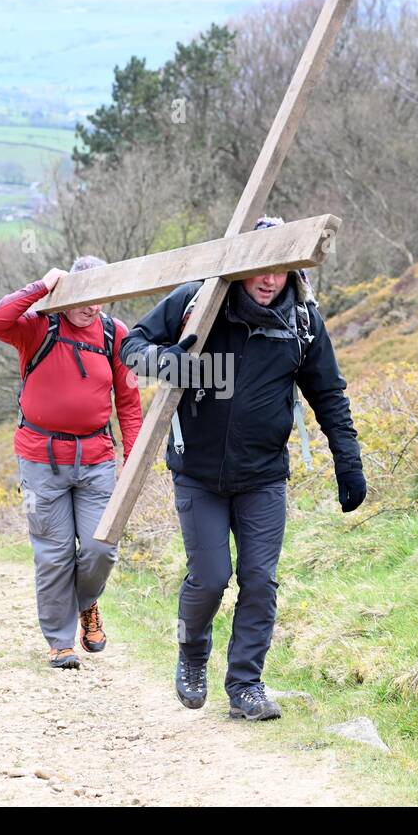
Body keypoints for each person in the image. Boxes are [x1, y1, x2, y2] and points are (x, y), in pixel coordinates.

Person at [120, 217, 366, 721]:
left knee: (259, 580)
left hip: (263, 476)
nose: (270, 279)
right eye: (261, 266)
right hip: (198, 474)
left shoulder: (302, 322)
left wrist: (348, 459)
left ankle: (246, 685)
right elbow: (131, 347)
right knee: (210, 578)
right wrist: (165, 360)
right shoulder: (199, 301)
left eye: (281, 268)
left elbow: (328, 394)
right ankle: (192, 655)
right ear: (242, 265)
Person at [0, 258, 143, 670]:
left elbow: (127, 402)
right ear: (67, 292)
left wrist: (134, 459)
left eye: (100, 296)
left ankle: (87, 602)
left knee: (101, 548)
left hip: (96, 459)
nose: (93, 306)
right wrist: (42, 286)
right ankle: (60, 641)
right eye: (84, 296)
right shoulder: (39, 324)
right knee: (53, 554)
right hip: (40, 460)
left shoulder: (114, 334)